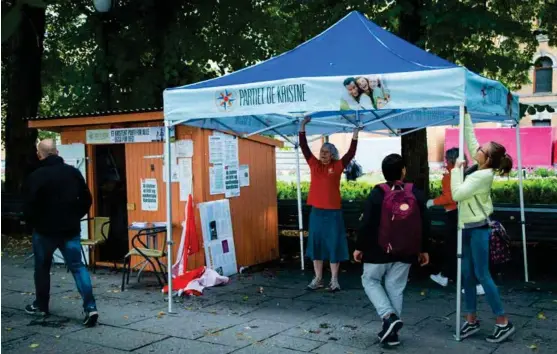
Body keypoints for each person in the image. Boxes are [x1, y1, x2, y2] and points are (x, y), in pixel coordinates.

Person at [450, 110, 514, 343]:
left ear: (486, 158)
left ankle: (502, 322)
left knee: (482, 274)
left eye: (481, 149)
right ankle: (471, 319)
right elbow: (471, 138)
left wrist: (456, 169)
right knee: (467, 274)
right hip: (466, 227)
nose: (476, 149)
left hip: (477, 229)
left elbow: (457, 194)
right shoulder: (481, 167)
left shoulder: (481, 176)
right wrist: (465, 115)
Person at [354, 154, 430, 347]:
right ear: (403, 170)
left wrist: (359, 247)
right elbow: (425, 223)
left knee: (369, 280)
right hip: (406, 251)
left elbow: (367, 223)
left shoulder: (378, 193)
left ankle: (388, 317)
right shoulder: (416, 192)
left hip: (377, 251)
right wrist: (424, 249)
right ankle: (392, 333)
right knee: (395, 287)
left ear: (383, 172)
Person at [23, 139, 99, 327]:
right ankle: (90, 307)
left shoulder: (36, 176)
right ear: (57, 152)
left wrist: (35, 223)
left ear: (40, 154)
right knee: (78, 267)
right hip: (70, 229)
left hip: (44, 231)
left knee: (42, 269)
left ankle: (41, 306)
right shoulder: (73, 173)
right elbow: (87, 199)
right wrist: (74, 216)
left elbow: (28, 206)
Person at [299, 117, 360, 292]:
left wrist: (355, 135)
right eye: (321, 151)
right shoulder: (314, 165)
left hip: (333, 213)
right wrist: (302, 126)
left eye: (326, 151)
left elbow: (351, 153)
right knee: (316, 244)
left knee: (334, 243)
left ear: (332, 154)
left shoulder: (338, 166)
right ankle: (318, 278)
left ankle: (334, 280)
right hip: (317, 212)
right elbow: (304, 147)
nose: (322, 153)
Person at [427, 148, 485, 294]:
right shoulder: (469, 175)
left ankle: (474, 284)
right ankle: (446, 275)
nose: (445, 161)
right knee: (458, 248)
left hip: (454, 214)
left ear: (451, 160)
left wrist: (433, 202)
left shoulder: (450, 177)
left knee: (456, 248)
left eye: (447, 159)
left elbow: (450, 198)